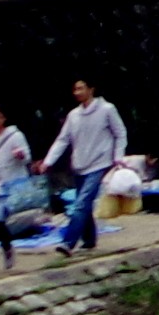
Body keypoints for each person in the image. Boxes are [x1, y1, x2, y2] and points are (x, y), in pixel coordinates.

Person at [43, 82, 129, 253]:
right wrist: (48, 161)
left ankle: (68, 242)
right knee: (84, 203)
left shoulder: (107, 109)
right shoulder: (74, 115)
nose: (77, 92)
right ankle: (89, 240)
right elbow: (63, 140)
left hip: (99, 163)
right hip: (80, 164)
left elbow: (120, 133)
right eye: (75, 89)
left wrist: (118, 157)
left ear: (91, 90)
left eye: (81, 88)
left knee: (81, 203)